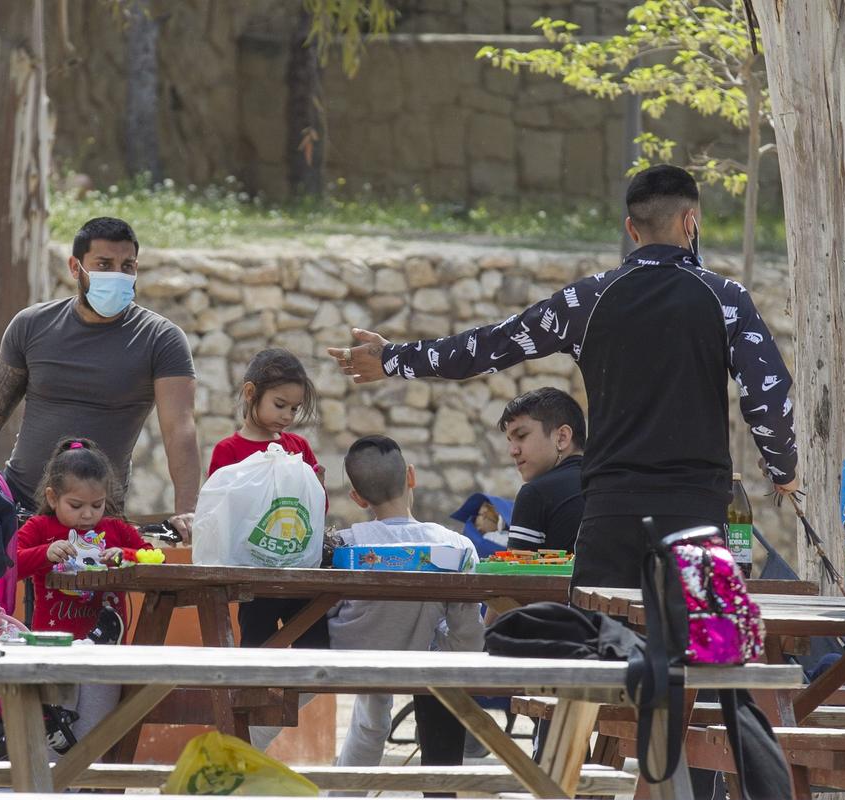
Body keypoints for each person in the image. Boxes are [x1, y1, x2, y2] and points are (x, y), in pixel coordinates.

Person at [328, 164, 798, 587]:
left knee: (601, 663)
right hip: (697, 514)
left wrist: (394, 358)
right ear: (691, 222)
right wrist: (784, 472)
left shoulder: (588, 300)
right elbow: (767, 400)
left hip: (609, 518)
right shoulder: (725, 299)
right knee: (715, 656)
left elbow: (491, 346)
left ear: (631, 229)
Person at [0, 217, 200, 536]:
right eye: (104, 264)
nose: (117, 275)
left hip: (99, 518)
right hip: (19, 510)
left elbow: (180, 430)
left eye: (127, 266)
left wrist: (187, 512)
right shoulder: (31, 325)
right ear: (76, 268)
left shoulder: (160, 339)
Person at [327, 436, 483, 800]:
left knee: (371, 720)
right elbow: (468, 634)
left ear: (357, 497)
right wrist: (441, 653)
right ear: (411, 476)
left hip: (337, 661)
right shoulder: (455, 547)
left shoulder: (344, 545)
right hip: (413, 660)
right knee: (378, 715)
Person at [11, 439, 149, 740]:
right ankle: (49, 787)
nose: (88, 515)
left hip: (105, 658)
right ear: (52, 497)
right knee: (53, 733)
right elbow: (11, 565)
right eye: (76, 506)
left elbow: (153, 556)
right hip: (54, 652)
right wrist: (45, 553)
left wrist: (122, 555)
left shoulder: (115, 531)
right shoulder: (39, 529)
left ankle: (86, 788)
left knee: (95, 733)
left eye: (97, 505)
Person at [208, 348, 329, 649]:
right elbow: (220, 513)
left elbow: (314, 511)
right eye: (280, 405)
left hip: (299, 575)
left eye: (294, 409)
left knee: (313, 648)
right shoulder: (229, 451)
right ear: (251, 393)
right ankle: (257, 698)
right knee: (258, 649)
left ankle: (294, 698)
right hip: (254, 578)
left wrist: (317, 488)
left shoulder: (297, 446)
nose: (287, 416)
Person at [498, 387, 586, 552]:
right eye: (510, 440)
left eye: (522, 436)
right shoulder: (610, 482)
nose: (513, 451)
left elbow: (516, 576)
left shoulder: (535, 494)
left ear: (562, 437)